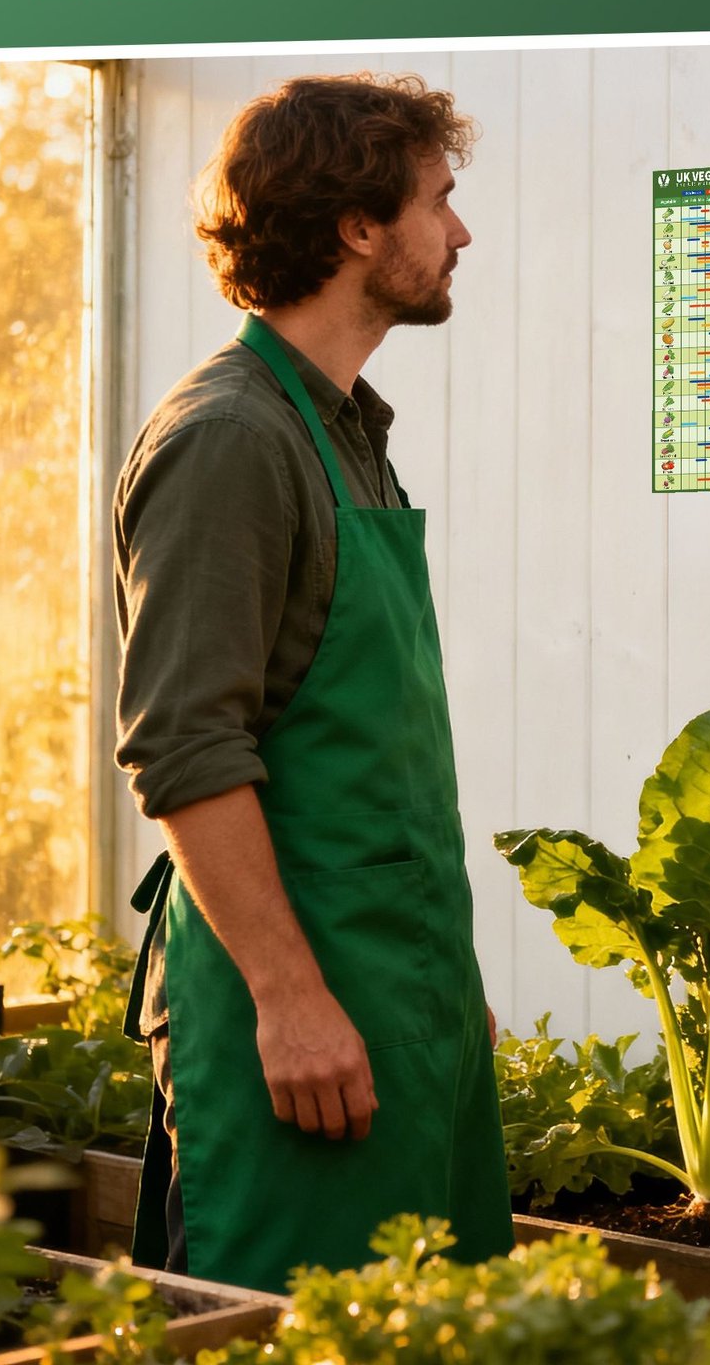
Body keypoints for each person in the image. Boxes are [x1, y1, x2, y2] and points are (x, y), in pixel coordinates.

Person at [114, 73, 512, 1293]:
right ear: (355, 226)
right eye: (438, 201)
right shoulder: (230, 438)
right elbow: (184, 751)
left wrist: (449, 994)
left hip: (398, 997)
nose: (458, 233)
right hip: (296, 1021)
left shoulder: (341, 429)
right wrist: (289, 1000)